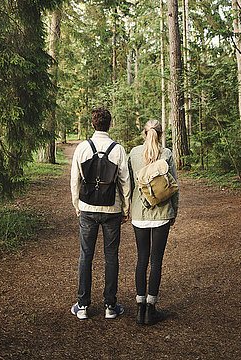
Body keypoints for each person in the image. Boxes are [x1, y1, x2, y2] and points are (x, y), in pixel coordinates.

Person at [70, 106, 131, 320]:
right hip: (112, 210)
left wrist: (77, 205)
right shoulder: (118, 149)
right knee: (111, 256)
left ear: (92, 124)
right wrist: (125, 208)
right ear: (109, 124)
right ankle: (110, 306)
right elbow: (125, 181)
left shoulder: (82, 148)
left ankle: (83, 305)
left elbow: (75, 180)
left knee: (86, 255)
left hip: (87, 209)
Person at [128, 119, 179, 325]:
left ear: (144, 133)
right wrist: (174, 211)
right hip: (162, 214)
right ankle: (151, 309)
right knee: (156, 261)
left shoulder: (133, 153)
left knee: (142, 259)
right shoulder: (166, 154)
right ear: (160, 134)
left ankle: (139, 309)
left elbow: (129, 184)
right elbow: (174, 185)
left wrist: (127, 208)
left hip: (139, 215)